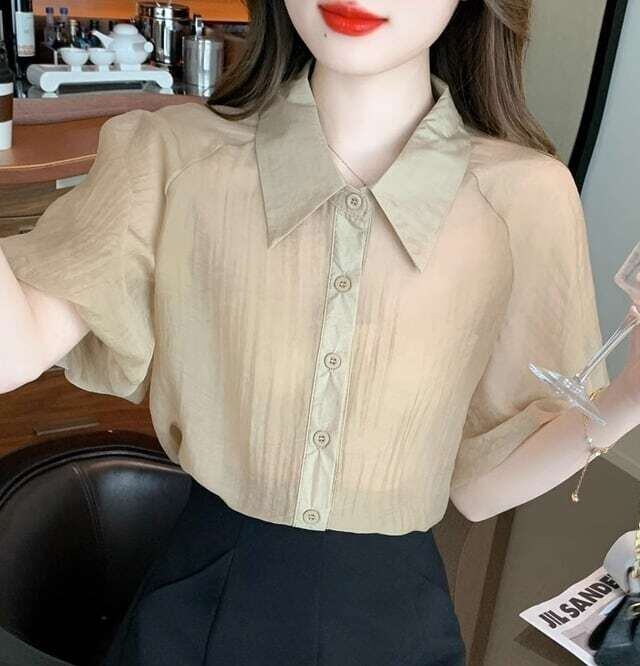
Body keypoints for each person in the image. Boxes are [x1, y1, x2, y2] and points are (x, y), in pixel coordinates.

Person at [1, 0, 639, 664]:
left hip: (398, 625)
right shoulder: (173, 156)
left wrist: (629, 396)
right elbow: (13, 353)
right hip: (197, 609)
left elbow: (482, 489)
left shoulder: (525, 198)